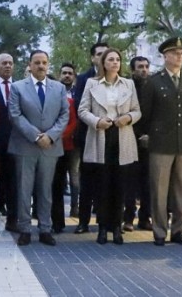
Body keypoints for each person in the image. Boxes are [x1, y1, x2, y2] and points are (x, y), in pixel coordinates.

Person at [78, 48, 140, 245]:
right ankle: (103, 228)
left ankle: (117, 228)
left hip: (122, 135)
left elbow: (137, 110)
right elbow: (82, 110)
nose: (115, 62)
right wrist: (97, 121)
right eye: (111, 59)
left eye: (118, 60)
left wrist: (128, 117)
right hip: (101, 135)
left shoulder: (128, 84)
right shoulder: (92, 83)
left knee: (120, 185)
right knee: (102, 185)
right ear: (103, 63)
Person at [142, 37, 182, 246]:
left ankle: (179, 230)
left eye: (181, 53)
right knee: (159, 189)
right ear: (165, 56)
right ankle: (159, 230)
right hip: (161, 142)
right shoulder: (154, 81)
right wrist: (150, 134)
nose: (179, 56)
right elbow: (146, 112)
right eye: (175, 53)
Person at [9, 50, 70, 246]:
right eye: (37, 62)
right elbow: (15, 115)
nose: (41, 66)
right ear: (30, 65)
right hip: (25, 145)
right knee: (24, 190)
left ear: (48, 64)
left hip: (50, 146)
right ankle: (24, 229)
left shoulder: (59, 88)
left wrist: (50, 136)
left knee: (45, 190)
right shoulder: (18, 87)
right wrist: (36, 136)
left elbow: (64, 115)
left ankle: (45, 228)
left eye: (44, 62)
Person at [73, 42, 108, 234]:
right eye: (99, 54)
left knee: (106, 181)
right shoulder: (83, 79)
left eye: (106, 54)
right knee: (87, 182)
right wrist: (98, 120)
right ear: (93, 58)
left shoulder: (119, 79)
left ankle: (105, 221)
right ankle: (83, 222)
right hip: (88, 135)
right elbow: (79, 106)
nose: (103, 57)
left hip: (110, 137)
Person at [126, 56, 153, 231]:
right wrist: (138, 135)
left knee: (148, 182)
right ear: (133, 70)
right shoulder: (127, 87)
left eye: (146, 66)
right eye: (140, 67)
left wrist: (149, 135)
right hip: (130, 138)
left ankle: (145, 218)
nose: (144, 70)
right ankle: (128, 217)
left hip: (151, 140)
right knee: (130, 181)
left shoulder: (153, 86)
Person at [0, 53, 17, 230]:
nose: (7, 66)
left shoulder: (20, 86)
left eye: (10, 63)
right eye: (4, 63)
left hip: (15, 141)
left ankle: (12, 218)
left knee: (13, 181)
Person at [51, 62, 77, 233]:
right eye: (64, 73)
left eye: (70, 73)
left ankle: (66, 218)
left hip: (66, 147)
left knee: (67, 183)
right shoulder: (48, 100)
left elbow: (73, 123)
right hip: (49, 148)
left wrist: (57, 136)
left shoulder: (70, 101)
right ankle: (53, 220)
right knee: (53, 185)